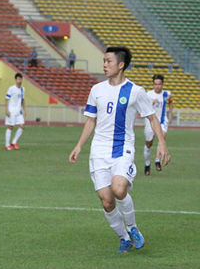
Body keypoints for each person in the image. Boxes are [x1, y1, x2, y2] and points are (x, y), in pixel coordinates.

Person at [69, 47, 170, 253]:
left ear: (121, 64)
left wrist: (162, 143)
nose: (104, 65)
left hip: (122, 149)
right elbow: (91, 121)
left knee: (119, 189)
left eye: (108, 61)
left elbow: (152, 117)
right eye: (104, 61)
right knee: (107, 201)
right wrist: (79, 145)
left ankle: (132, 228)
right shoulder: (97, 89)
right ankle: (123, 237)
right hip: (99, 152)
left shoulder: (135, 91)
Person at [144, 74, 173, 175]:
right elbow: (144, 107)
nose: (157, 86)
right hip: (150, 121)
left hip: (162, 120)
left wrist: (170, 114)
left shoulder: (166, 94)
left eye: (159, 84)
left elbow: (170, 102)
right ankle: (147, 164)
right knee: (149, 143)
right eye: (155, 84)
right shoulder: (148, 94)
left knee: (162, 139)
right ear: (153, 84)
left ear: (162, 84)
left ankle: (157, 160)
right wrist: (151, 103)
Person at [5, 73, 26, 150]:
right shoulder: (11, 89)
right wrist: (7, 110)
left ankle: (14, 142)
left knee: (22, 126)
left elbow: (22, 100)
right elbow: (6, 99)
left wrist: (24, 110)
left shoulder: (23, 89)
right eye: (18, 79)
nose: (19, 81)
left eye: (20, 79)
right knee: (11, 127)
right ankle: (7, 145)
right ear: (15, 80)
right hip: (12, 111)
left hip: (19, 111)